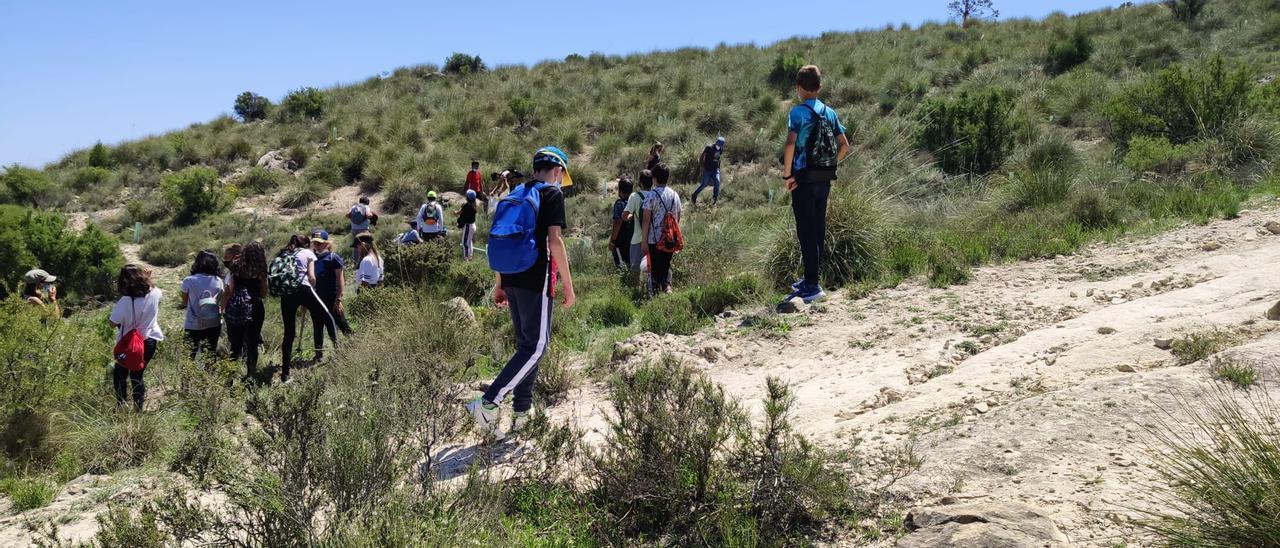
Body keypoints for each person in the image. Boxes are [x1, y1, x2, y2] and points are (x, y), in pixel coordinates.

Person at [467, 146, 577, 437]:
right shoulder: (551, 194)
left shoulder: (513, 195)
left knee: (527, 346)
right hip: (536, 276)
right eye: (562, 176)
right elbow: (555, 242)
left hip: (512, 277)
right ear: (557, 171)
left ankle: (522, 412)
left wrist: (500, 284)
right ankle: (489, 403)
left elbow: (498, 240)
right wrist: (568, 286)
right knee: (537, 346)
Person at [782, 64, 852, 304]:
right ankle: (811, 278)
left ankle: (812, 286)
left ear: (799, 88)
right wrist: (831, 164)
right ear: (819, 87)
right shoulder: (829, 112)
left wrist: (787, 175)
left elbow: (790, 144)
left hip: (803, 178)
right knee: (818, 230)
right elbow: (845, 145)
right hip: (824, 178)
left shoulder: (797, 113)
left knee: (805, 231)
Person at [278, 234, 339, 383]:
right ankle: (340, 353)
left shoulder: (284, 253)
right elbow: (312, 277)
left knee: (289, 333)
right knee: (328, 317)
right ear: (305, 244)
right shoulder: (308, 253)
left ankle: (285, 374)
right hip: (304, 288)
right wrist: (309, 298)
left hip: (286, 293)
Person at [109, 265, 163, 410]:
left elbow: (112, 324)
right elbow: (153, 290)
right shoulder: (155, 293)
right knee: (137, 375)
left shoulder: (124, 301)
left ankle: (122, 405)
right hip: (149, 340)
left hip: (128, 344)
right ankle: (138, 408)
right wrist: (149, 279)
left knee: (120, 374)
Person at [224, 241, 268, 378]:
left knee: (235, 345)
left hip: (236, 307)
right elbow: (264, 292)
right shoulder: (261, 269)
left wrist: (223, 305)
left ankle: (230, 378)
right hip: (255, 307)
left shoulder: (235, 266)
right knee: (252, 343)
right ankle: (250, 375)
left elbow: (229, 290)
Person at [641, 163, 681, 295]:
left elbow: (646, 219)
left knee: (655, 268)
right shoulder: (675, 195)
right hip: (670, 238)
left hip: (654, 239)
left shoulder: (651, 196)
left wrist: (644, 241)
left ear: (655, 178)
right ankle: (667, 289)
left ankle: (655, 295)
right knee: (666, 264)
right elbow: (677, 217)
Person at [179, 250, 224, 360]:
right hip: (214, 323)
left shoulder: (188, 281)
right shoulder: (218, 280)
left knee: (189, 356)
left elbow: (184, 302)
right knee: (209, 355)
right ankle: (208, 376)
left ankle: (188, 377)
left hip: (193, 324)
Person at [311, 230, 353, 338]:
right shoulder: (311, 259)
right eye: (315, 243)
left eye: (320, 243)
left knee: (340, 322)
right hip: (316, 298)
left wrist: (338, 299)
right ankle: (319, 353)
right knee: (318, 326)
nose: (317, 245)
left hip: (332, 298)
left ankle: (354, 344)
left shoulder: (333, 258)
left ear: (327, 243)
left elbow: (340, 280)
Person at [624, 170, 653, 275]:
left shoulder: (634, 196)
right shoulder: (655, 195)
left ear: (640, 182)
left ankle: (636, 289)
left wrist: (632, 216)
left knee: (636, 269)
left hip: (638, 239)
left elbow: (625, 216)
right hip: (653, 238)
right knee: (652, 267)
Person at [608, 177, 634, 269]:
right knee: (630, 263)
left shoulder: (620, 204)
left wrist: (612, 241)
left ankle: (624, 282)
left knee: (621, 266)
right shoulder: (634, 202)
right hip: (633, 240)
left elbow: (617, 222)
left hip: (620, 241)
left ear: (620, 190)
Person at [693, 136, 725, 206]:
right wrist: (702, 166)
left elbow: (719, 159)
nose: (719, 146)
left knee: (717, 182)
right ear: (716, 143)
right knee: (704, 184)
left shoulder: (721, 149)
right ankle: (694, 195)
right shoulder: (709, 148)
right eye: (718, 145)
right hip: (707, 169)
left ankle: (714, 198)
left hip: (715, 170)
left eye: (720, 145)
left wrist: (718, 168)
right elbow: (702, 157)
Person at [457, 189, 479, 260]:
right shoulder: (473, 205)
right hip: (472, 225)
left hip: (468, 226)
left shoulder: (466, 206)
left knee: (465, 243)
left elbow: (459, 212)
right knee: (469, 241)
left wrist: (455, 212)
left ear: (467, 198)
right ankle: (470, 256)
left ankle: (466, 258)